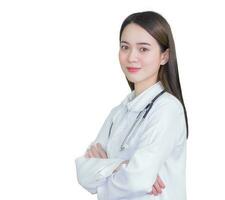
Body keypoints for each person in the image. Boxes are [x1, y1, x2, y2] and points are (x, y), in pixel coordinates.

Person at [75, 11, 189, 200]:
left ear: (164, 56)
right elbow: (83, 172)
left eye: (143, 49)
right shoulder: (118, 112)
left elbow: (138, 180)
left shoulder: (168, 109)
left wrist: (103, 172)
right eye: (125, 47)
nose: (131, 57)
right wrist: (121, 165)